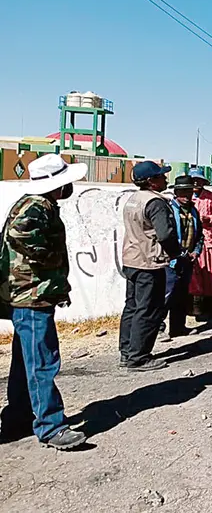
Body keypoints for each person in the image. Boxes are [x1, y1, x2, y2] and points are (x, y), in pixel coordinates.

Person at [0, 154, 88, 449]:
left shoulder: (36, 204)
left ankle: (17, 419)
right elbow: (20, 233)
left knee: (26, 362)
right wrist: (49, 260)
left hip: (29, 295)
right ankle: (51, 427)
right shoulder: (36, 206)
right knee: (42, 363)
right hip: (32, 296)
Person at [120, 161, 183, 371]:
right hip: (150, 262)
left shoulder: (133, 199)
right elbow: (165, 234)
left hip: (132, 260)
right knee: (148, 309)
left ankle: (127, 352)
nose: (165, 179)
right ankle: (139, 358)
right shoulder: (155, 202)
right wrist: (176, 253)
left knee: (132, 307)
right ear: (151, 181)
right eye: (161, 176)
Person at [161, 175, 203, 339]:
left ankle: (178, 327)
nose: (186, 195)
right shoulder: (169, 210)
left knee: (181, 295)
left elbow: (199, 235)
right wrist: (178, 253)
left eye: (189, 192)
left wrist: (196, 251)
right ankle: (158, 328)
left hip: (188, 260)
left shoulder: (193, 211)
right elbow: (166, 235)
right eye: (183, 192)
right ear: (176, 193)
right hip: (171, 260)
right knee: (166, 295)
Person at [188, 168, 212, 317]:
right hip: (189, 240)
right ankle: (193, 304)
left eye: (199, 180)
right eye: (193, 180)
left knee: (209, 273)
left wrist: (208, 219)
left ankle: (210, 304)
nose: (196, 183)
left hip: (207, 239)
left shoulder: (211, 197)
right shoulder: (185, 196)